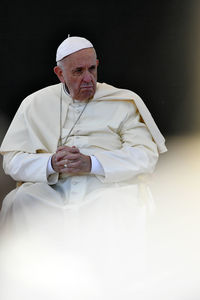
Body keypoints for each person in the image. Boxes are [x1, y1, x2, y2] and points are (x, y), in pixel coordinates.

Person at [0, 36, 167, 299]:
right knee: (21, 200)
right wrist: (49, 163)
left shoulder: (122, 103)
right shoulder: (34, 104)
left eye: (92, 69)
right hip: (52, 188)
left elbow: (145, 155)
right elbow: (12, 160)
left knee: (117, 203)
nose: (88, 78)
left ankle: (112, 291)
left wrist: (93, 163)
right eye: (78, 71)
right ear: (59, 73)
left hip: (106, 185)